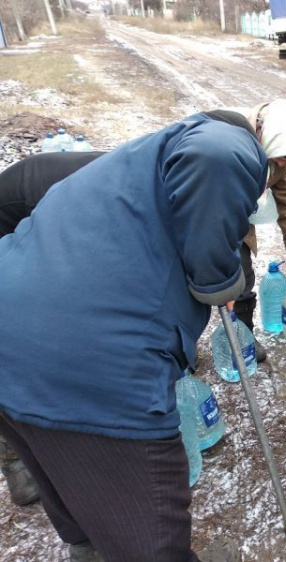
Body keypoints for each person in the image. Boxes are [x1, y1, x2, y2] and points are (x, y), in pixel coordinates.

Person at [0, 111, 268, 562]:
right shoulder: (222, 138)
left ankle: (91, 550)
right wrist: (217, 280)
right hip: (88, 360)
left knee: (66, 484)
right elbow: (215, 152)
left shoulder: (124, 171)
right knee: (151, 542)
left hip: (9, 342)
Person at [0, 151, 105, 509]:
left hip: (47, 216)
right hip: (15, 220)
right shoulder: (102, 199)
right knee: (18, 349)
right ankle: (15, 462)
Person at [226, 101, 286, 359]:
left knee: (242, 278)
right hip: (200, 214)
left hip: (238, 218)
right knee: (193, 284)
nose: (285, 164)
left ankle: (242, 336)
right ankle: (180, 350)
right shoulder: (229, 143)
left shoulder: (281, 150)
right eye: (283, 159)